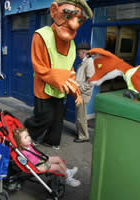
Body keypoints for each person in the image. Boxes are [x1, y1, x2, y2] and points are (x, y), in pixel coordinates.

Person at [24, 0, 93, 150]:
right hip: (43, 89)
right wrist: (59, 77)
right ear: (54, 11)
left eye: (79, 20)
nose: (75, 25)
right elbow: (39, 67)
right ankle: (27, 135)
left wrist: (75, 90)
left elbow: (70, 70)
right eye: (68, 16)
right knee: (44, 117)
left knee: (57, 120)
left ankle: (51, 141)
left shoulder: (72, 44)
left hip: (61, 91)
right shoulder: (41, 35)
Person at [12, 127, 80, 187]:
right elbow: (25, 163)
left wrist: (42, 157)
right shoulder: (22, 153)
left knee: (58, 159)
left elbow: (35, 154)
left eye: (28, 135)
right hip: (37, 166)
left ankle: (68, 171)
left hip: (40, 159)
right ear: (20, 143)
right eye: (25, 137)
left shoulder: (29, 146)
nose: (29, 138)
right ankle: (68, 179)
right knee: (57, 166)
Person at [74, 42, 94, 143]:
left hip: (83, 94)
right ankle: (80, 133)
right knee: (79, 114)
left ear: (83, 52)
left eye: (78, 52)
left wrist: (80, 88)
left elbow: (91, 81)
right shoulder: (83, 62)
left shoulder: (89, 62)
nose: (78, 54)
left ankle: (83, 136)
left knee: (81, 116)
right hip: (80, 93)